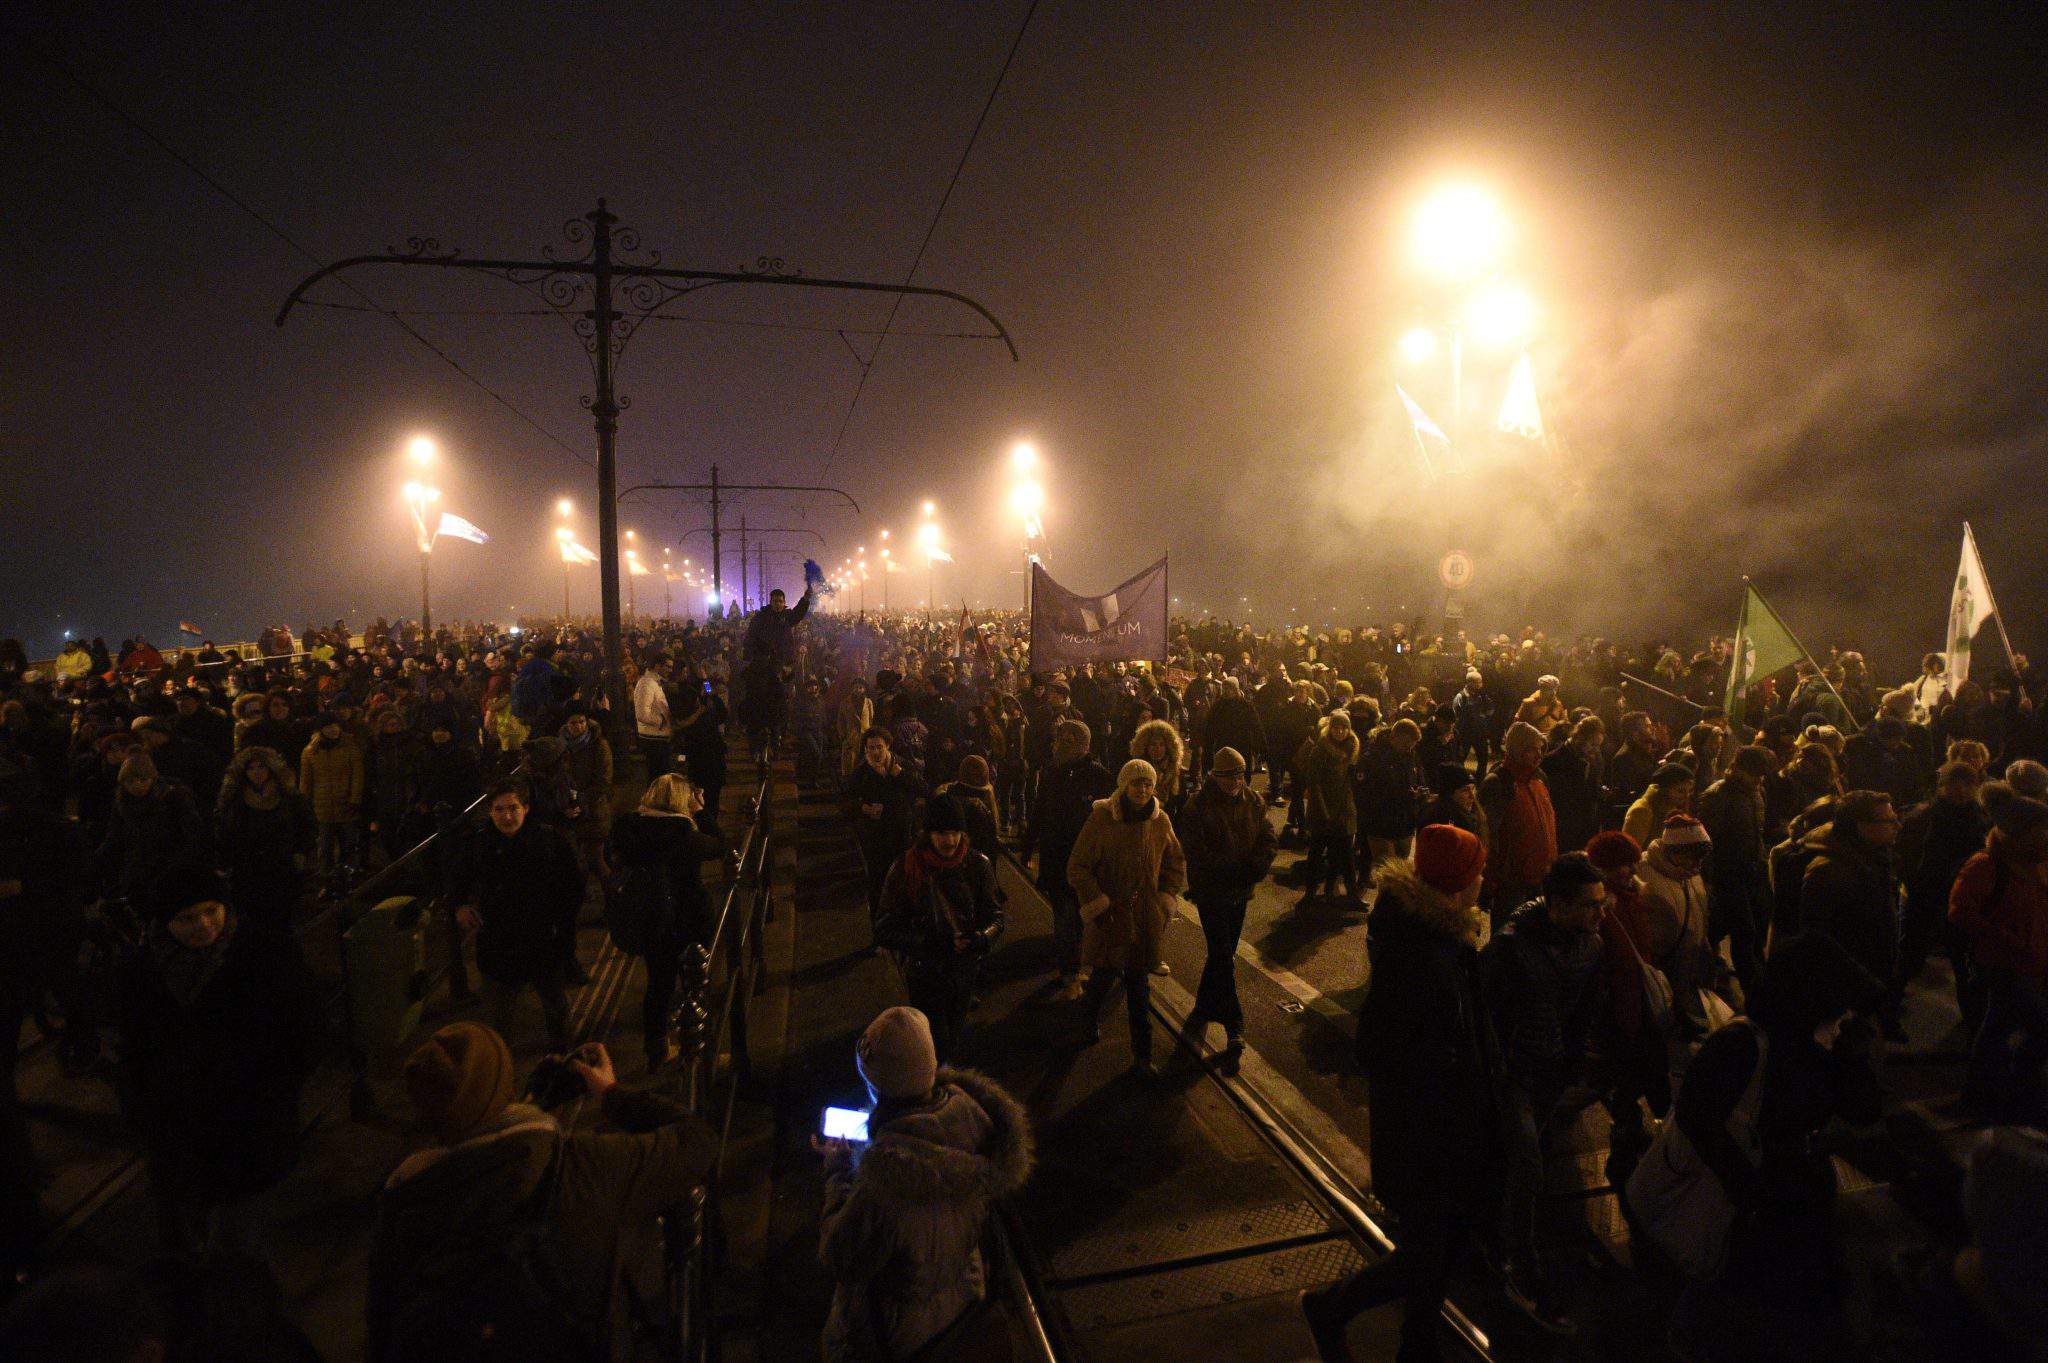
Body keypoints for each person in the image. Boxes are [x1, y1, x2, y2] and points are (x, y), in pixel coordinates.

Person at [369, 1024, 718, 1363]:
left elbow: (382, 1329)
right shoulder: (581, 1166)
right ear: (502, 1087)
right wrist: (611, 1093)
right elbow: (697, 1141)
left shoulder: (404, 1203)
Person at [1303, 824, 1494, 1363]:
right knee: (1427, 1252)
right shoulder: (1421, 953)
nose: (1484, 879)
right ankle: (1331, 1307)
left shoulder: (1440, 937)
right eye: (1478, 871)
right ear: (1456, 882)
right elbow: (1380, 1047)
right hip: (1425, 1132)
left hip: (1444, 1125)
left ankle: (1418, 1342)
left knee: (1443, 1247)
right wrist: (1446, 1068)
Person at [1656, 934, 1882, 1360]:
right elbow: (1695, 1116)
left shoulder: (1825, 1042)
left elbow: (1864, 1111)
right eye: (1837, 1008)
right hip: (1749, 1203)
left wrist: (1852, 1053)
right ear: (1809, 999)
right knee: (1737, 1302)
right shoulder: (1743, 1044)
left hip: (1800, 1192)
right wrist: (1747, 1188)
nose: (1844, 1016)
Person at [117, 865, 323, 1261]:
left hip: (248, 1125)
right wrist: (141, 1107)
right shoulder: (140, 973)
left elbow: (305, 1029)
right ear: (165, 921)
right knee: (184, 1234)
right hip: (176, 1131)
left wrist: (274, 1091)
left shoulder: (267, 954)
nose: (204, 925)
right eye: (187, 918)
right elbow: (134, 1050)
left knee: (236, 1242)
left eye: (212, 910)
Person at [817, 1007, 1032, 1363]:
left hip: (896, 1332)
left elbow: (842, 1256)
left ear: (875, 1087)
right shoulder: (978, 1123)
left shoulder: (884, 1184)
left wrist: (838, 1171)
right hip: (964, 1302)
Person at [1481, 851, 1608, 1334]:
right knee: (1527, 1166)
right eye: (1590, 905)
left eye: (1602, 904)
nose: (1600, 914)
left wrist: (1577, 1062)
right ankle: (1519, 1267)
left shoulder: (1590, 945)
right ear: (1556, 904)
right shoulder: (1510, 949)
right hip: (1513, 1075)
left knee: (1523, 1161)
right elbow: (1487, 1021)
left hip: (1552, 1072)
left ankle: (1494, 1227)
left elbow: (1584, 1012)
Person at [1067, 758, 1187, 1076]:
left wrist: (1165, 896)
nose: (1142, 789)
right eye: (1136, 783)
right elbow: (1078, 867)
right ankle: (1086, 1026)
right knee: (1102, 979)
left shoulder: (1160, 822)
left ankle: (1143, 1056)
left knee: (1138, 987)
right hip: (1111, 915)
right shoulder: (1102, 819)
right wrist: (1098, 902)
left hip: (1144, 918)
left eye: (1147, 784)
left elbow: (1175, 862)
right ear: (1124, 786)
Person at [454, 779, 587, 1049]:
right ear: (490, 812)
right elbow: (459, 879)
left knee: (554, 1002)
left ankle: (563, 1055)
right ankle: (499, 1061)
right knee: (498, 1008)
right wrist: (460, 906)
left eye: (513, 808)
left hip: (542, 937)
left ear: (525, 808)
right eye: (499, 809)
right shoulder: (479, 844)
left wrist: (562, 923)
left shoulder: (549, 839)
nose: (507, 816)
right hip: (498, 939)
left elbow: (573, 884)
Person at [874, 795, 1005, 1061]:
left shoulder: (978, 865)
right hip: (925, 971)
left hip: (964, 970)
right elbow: (883, 928)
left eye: (955, 832)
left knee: (955, 1031)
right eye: (942, 833)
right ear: (928, 833)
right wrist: (929, 942)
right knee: (934, 1038)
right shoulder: (906, 868)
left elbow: (995, 916)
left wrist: (981, 938)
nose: (950, 840)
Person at [607, 773, 725, 1069]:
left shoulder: (630, 830)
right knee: (694, 982)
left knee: (658, 984)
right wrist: (701, 812)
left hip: (651, 919)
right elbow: (722, 846)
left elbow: (613, 858)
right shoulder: (685, 835)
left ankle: (656, 1049)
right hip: (687, 918)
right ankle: (697, 1046)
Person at [1949, 782, 2048, 1121]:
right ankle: (2020, 1089)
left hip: (2031, 960)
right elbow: (1960, 912)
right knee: (2038, 1027)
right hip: (2003, 963)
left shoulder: (2036, 863)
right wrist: (2008, 937)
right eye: (2041, 830)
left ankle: (1981, 1094)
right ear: (2021, 832)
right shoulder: (1986, 865)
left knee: (1997, 1026)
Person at [1176, 747, 1277, 1073]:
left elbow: (1267, 838)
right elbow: (1197, 852)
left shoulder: (1254, 801)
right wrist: (1235, 870)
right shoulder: (1198, 807)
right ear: (1214, 776)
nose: (1235, 782)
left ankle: (1203, 1007)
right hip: (1212, 893)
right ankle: (1235, 1026)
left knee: (1223, 953)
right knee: (1222, 954)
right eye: (1228, 776)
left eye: (1239, 775)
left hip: (1239, 890)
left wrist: (1255, 868)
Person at [1798, 788, 1904, 1035]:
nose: (1897, 825)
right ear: (1861, 826)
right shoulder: (1831, 871)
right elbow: (1818, 938)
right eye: (1888, 821)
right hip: (1848, 983)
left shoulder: (1873, 856)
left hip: (1869, 975)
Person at [1024, 718, 1112, 999]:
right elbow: (1038, 812)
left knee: (1081, 917)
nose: (1058, 745)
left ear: (1081, 745)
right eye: (1059, 740)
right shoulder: (1053, 773)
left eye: (1065, 741)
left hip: (1087, 863)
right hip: (1057, 858)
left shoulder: (1099, 777)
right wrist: (1028, 848)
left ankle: (1079, 962)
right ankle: (1069, 973)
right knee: (1064, 916)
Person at [1897, 760, 1989, 1023]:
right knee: (1909, 954)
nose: (1960, 790)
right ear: (1942, 786)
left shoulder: (1981, 818)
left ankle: (1973, 1022)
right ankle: (1887, 1012)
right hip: (1925, 897)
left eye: (1967, 785)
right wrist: (1913, 884)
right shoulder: (1922, 817)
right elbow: (1906, 856)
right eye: (1953, 785)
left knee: (1963, 963)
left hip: (1960, 900)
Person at [1696, 745, 1774, 991]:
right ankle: (1755, 990)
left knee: (1753, 926)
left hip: (1752, 871)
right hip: (1729, 874)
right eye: (1754, 774)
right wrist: (1708, 879)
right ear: (1738, 769)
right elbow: (1707, 842)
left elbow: (1756, 832)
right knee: (1744, 930)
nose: (1758, 780)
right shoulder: (1717, 796)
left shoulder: (1753, 793)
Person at [212, 744, 312, 935]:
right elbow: (225, 832)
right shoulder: (234, 799)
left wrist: (300, 852)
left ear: (271, 768)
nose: (256, 772)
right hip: (247, 868)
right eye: (251, 768)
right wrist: (223, 862)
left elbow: (305, 826)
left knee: (280, 915)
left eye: (261, 767)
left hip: (281, 865)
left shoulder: (288, 796)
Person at [97, 750, 208, 904]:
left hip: (169, 869)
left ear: (153, 779)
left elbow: (193, 835)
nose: (137, 785)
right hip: (136, 870)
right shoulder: (122, 803)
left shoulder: (173, 798)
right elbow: (114, 837)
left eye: (143, 779)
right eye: (130, 781)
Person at [844, 727, 923, 941]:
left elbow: (921, 788)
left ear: (887, 746)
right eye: (871, 748)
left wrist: (901, 775)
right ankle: (880, 933)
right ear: (866, 749)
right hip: (876, 838)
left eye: (880, 746)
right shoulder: (861, 773)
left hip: (902, 833)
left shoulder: (901, 765)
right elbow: (846, 803)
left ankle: (904, 927)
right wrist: (864, 808)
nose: (876, 752)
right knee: (878, 884)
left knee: (905, 881)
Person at [1478, 722, 1557, 926]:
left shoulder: (1539, 779)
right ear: (1517, 749)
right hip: (1511, 881)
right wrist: (1489, 881)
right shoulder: (1498, 783)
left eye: (1541, 749)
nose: (1539, 755)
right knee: (1507, 934)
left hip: (1540, 875)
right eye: (1532, 749)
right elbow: (1487, 836)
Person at [1298, 710, 1361, 902]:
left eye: (1344, 728)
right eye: (1336, 727)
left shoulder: (1352, 749)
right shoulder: (1320, 750)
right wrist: (1323, 811)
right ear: (1330, 728)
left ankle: (1352, 895)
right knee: (1316, 854)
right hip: (1322, 809)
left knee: (1346, 856)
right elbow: (1314, 782)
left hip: (1344, 808)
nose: (1340, 731)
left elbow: (1352, 781)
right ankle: (1310, 893)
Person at [299, 712, 364, 887]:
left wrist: (354, 798)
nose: (333, 730)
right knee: (325, 847)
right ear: (321, 730)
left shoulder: (350, 747)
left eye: (335, 726)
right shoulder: (310, 752)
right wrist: (305, 804)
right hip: (322, 806)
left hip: (346, 804)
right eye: (328, 727)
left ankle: (349, 879)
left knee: (348, 845)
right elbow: (306, 781)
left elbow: (357, 776)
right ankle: (327, 882)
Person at [1356, 717, 1428, 866]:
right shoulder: (1374, 757)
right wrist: (1403, 794)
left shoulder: (1411, 755)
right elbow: (1365, 792)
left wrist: (1420, 792)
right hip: (1381, 823)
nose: (1409, 749)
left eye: (1412, 746)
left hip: (1405, 822)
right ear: (1393, 738)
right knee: (1388, 871)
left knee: (1401, 870)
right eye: (1405, 745)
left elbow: (1418, 777)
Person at [1542, 715, 1606, 856]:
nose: (1595, 750)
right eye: (1593, 744)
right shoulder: (1553, 761)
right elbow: (1560, 799)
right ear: (1578, 737)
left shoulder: (1591, 758)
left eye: (1598, 746)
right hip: (1565, 833)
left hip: (1586, 831)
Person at [1622, 761, 1694, 848]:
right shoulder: (1642, 811)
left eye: (1689, 791)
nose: (1686, 796)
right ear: (1664, 790)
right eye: (1680, 791)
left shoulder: (1672, 808)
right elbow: (1631, 851)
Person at [633, 652, 675, 778]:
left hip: (658, 736)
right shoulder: (647, 683)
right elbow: (642, 714)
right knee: (657, 777)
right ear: (657, 666)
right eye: (668, 667)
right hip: (654, 738)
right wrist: (662, 721)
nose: (670, 670)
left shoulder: (655, 682)